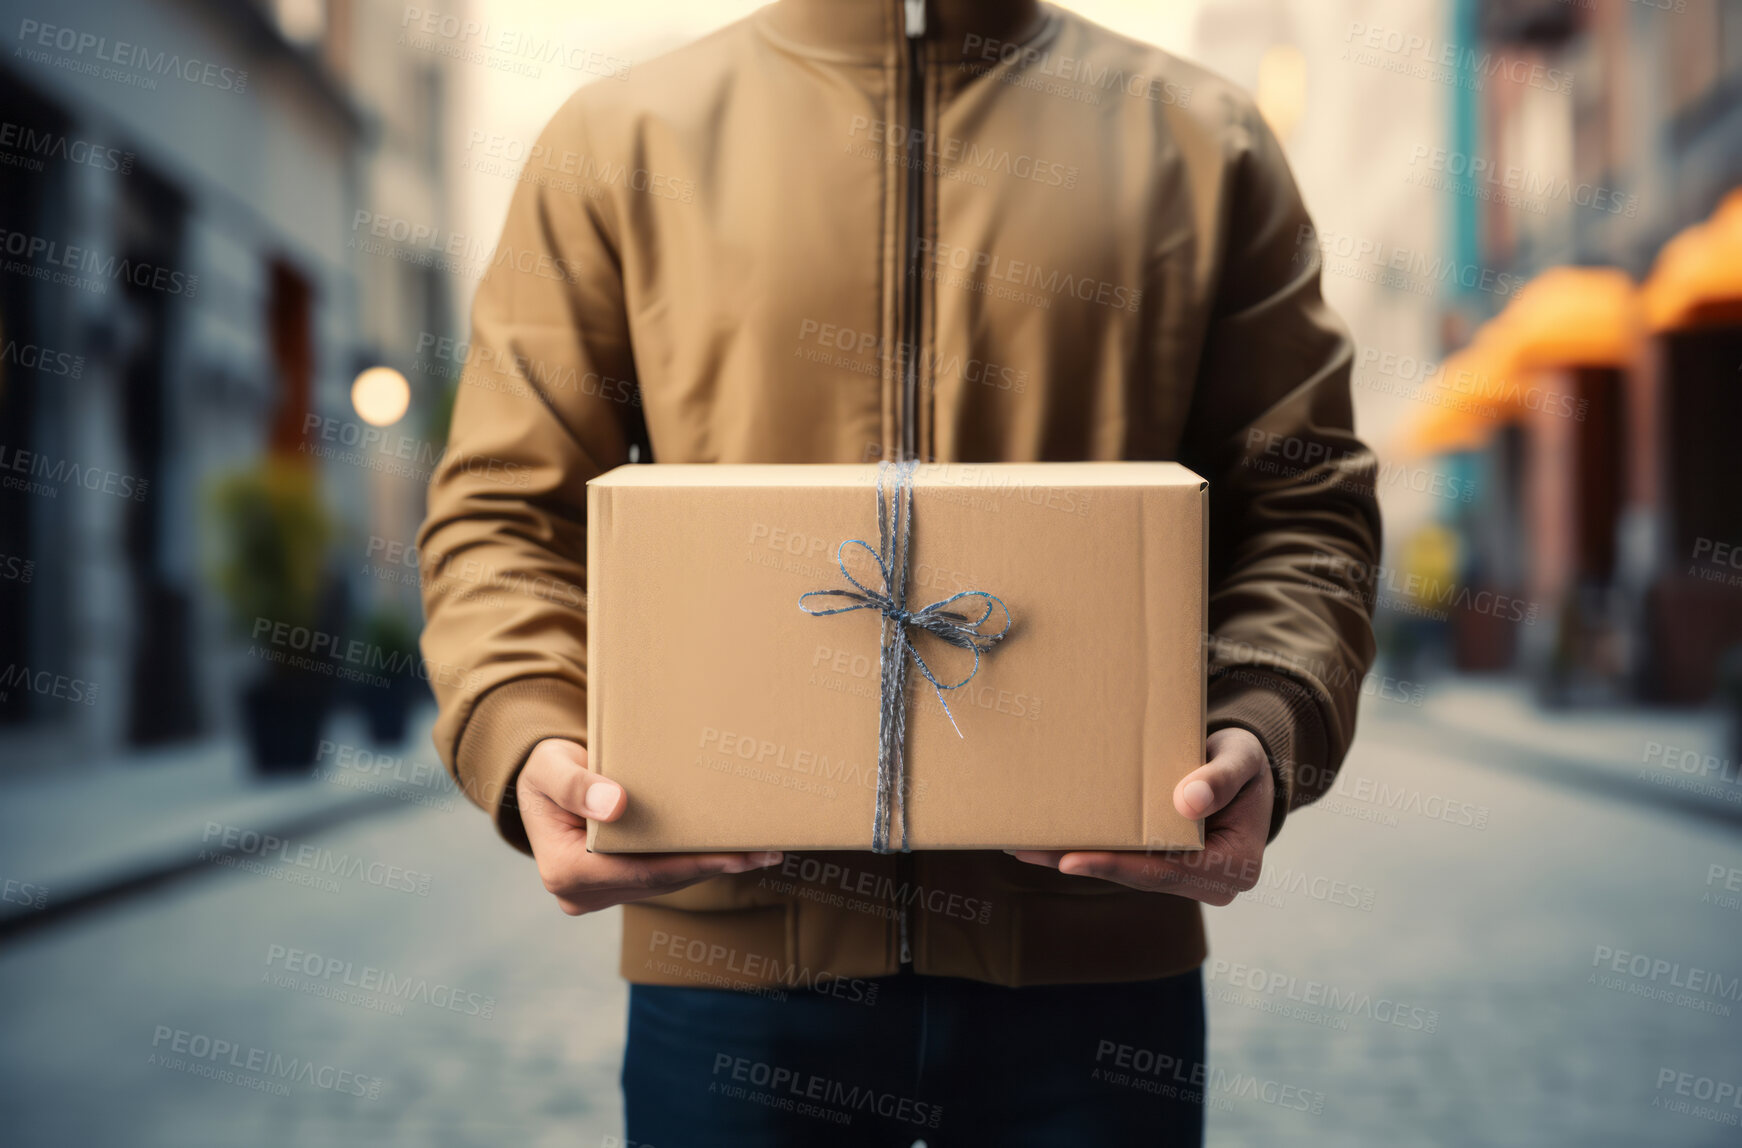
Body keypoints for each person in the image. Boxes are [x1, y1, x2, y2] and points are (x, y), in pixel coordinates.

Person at [418, 1, 1380, 1143]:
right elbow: (502, 511)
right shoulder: (619, 141)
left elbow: (1300, 499)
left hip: (1097, 954)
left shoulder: (1203, 141)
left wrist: (1264, 714)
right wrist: (528, 730)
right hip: (730, 961)